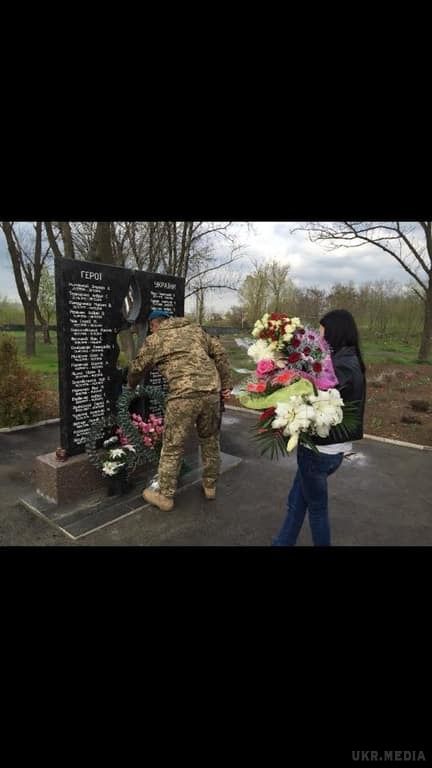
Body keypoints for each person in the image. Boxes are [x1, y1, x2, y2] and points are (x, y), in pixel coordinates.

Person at [272, 309, 366, 546]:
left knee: (316, 511)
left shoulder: (343, 366)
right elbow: (317, 376)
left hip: (320, 451)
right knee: (296, 501)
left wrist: (286, 386)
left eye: (322, 331)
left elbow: (317, 394)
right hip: (329, 449)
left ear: (335, 332)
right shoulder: (346, 359)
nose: (320, 337)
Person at [127, 310, 233, 511]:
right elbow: (219, 353)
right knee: (210, 440)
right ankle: (210, 485)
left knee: (172, 446)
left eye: (151, 326)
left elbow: (138, 367)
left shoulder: (156, 339)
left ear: (153, 324)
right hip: (211, 393)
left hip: (183, 396)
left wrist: (130, 386)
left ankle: (164, 496)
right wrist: (226, 384)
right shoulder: (196, 330)